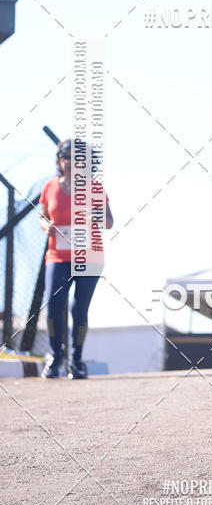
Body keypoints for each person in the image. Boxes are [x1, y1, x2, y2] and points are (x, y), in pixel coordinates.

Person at [38, 139, 113, 379]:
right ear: (60, 161)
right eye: (66, 157)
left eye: (78, 158)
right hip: (58, 255)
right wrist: (45, 226)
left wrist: (96, 215)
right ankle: (55, 356)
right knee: (53, 307)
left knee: (79, 310)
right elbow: (42, 216)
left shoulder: (95, 188)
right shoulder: (49, 187)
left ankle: (77, 360)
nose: (71, 162)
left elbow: (109, 222)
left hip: (89, 256)